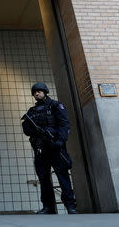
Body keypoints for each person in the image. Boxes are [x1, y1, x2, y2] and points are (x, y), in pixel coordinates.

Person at [22, 83, 78, 215]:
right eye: (35, 92)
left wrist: (60, 141)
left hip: (56, 147)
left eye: (39, 91)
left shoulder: (55, 106)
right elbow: (26, 130)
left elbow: (64, 124)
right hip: (40, 148)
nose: (37, 93)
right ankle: (48, 207)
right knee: (43, 178)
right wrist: (34, 132)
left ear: (45, 92)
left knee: (62, 176)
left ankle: (71, 206)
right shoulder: (32, 112)